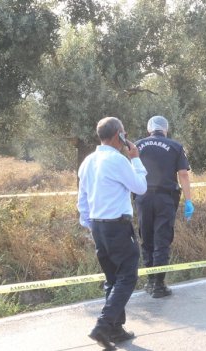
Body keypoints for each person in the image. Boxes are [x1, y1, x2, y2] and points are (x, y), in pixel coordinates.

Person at [77, 117, 147, 349]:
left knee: (112, 278)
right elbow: (140, 187)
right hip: (117, 225)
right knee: (127, 277)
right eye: (124, 133)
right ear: (119, 135)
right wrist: (135, 159)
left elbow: (83, 200)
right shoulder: (118, 160)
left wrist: (90, 225)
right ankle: (103, 326)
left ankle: (115, 329)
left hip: (98, 225)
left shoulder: (88, 160)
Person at [134, 115, 194, 298]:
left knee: (147, 238)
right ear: (165, 129)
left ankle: (150, 282)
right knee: (162, 239)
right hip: (165, 198)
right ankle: (159, 285)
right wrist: (189, 200)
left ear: (149, 129)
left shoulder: (137, 145)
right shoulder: (175, 146)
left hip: (142, 197)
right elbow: (183, 174)